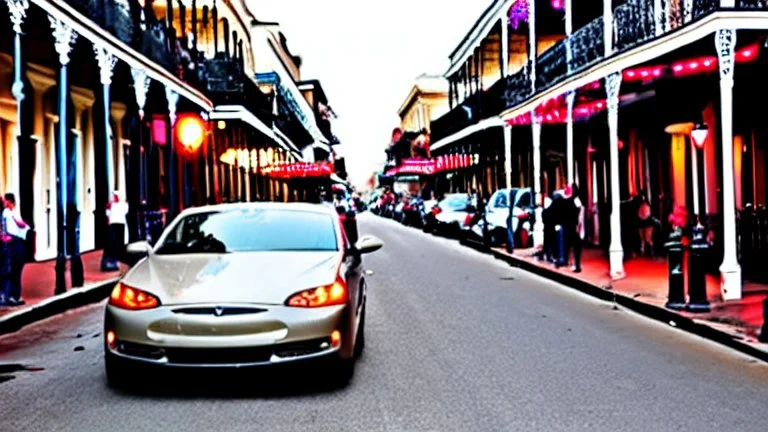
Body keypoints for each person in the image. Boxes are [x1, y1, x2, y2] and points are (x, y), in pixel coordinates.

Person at [2, 193, 28, 306]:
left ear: (9, 202)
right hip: (13, 242)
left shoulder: (11, 212)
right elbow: (21, 224)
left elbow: (21, 224)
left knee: (14, 269)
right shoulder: (7, 213)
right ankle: (12, 296)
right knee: (13, 269)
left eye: (5, 201)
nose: (4, 203)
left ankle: (13, 295)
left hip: (15, 242)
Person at [564, 184, 584, 273]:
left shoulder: (574, 201)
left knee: (574, 246)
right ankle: (574, 263)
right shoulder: (576, 201)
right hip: (574, 225)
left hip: (573, 226)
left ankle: (575, 264)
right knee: (575, 246)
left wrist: (578, 225)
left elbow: (578, 214)